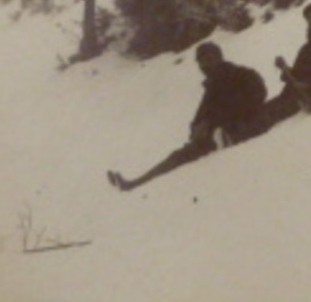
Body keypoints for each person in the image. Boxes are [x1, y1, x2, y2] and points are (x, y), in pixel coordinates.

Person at [108, 41, 267, 192]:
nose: (205, 66)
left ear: (219, 58)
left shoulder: (241, 75)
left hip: (240, 130)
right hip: (215, 138)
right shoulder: (212, 87)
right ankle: (135, 182)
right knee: (178, 156)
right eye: (201, 62)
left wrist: (218, 121)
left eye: (209, 59)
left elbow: (257, 95)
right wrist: (197, 129)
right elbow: (199, 117)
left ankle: (134, 183)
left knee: (183, 157)